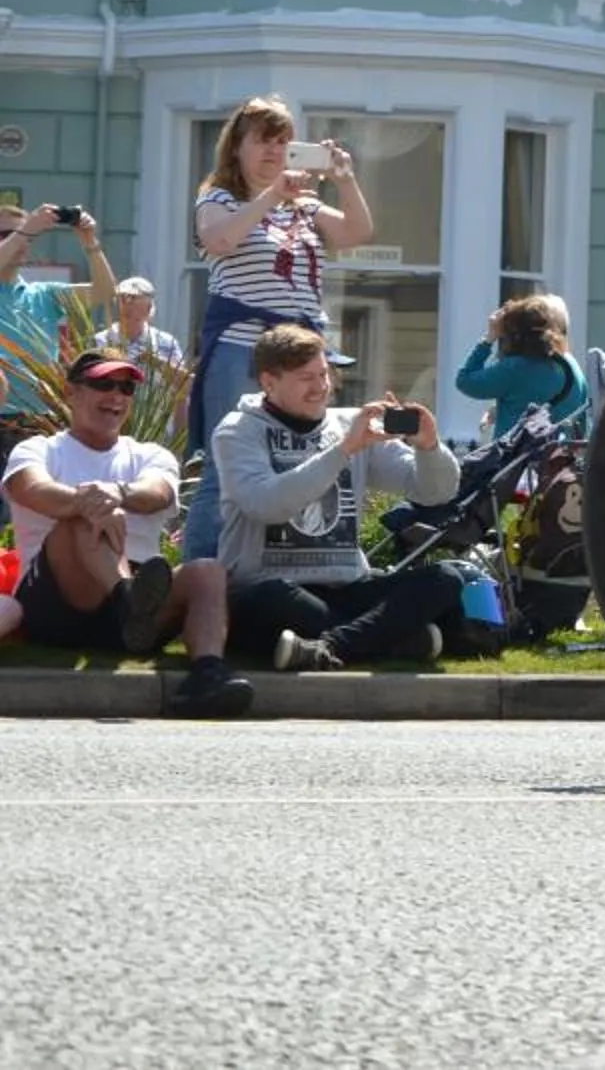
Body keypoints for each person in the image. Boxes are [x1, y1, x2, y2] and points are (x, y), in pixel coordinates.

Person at [3, 352, 255, 714]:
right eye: (103, 384)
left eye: (126, 387)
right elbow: (31, 489)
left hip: (137, 615)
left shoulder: (152, 454)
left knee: (207, 572)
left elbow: (159, 494)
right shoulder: (38, 449)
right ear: (71, 391)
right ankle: (127, 599)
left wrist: (117, 493)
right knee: (81, 517)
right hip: (57, 603)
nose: (116, 396)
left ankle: (207, 674)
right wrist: (88, 501)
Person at [183, 97, 373, 563]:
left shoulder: (305, 207)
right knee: (223, 465)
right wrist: (272, 196)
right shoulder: (219, 198)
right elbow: (220, 239)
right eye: (263, 140)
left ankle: (266, 565)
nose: (274, 150)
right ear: (238, 147)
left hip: (296, 353)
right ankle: (201, 576)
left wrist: (343, 179)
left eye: (283, 140)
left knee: (287, 458)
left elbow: (356, 233)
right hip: (242, 346)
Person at [214, 324, 465, 672]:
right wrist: (345, 449)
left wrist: (428, 447)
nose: (321, 387)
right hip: (272, 588)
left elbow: (435, 492)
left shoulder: (349, 423)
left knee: (446, 579)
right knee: (274, 601)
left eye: (324, 374)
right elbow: (266, 504)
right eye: (306, 378)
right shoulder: (237, 430)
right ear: (269, 382)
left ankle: (330, 645)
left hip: (347, 585)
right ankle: (392, 638)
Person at [452, 292, 590, 442]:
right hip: (563, 459)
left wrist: (489, 338)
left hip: (519, 461)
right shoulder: (571, 364)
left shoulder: (516, 368)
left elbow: (465, 380)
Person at [0, 203, 120, 365]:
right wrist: (24, 232)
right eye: (7, 234)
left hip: (38, 390)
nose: (22, 242)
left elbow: (104, 292)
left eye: (29, 236)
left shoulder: (43, 295)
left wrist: (90, 243)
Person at [92, 276, 184, 369]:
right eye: (123, 298)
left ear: (148, 308)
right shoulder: (99, 341)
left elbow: (184, 381)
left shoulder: (166, 343)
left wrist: (156, 362)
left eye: (134, 299)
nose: (127, 304)